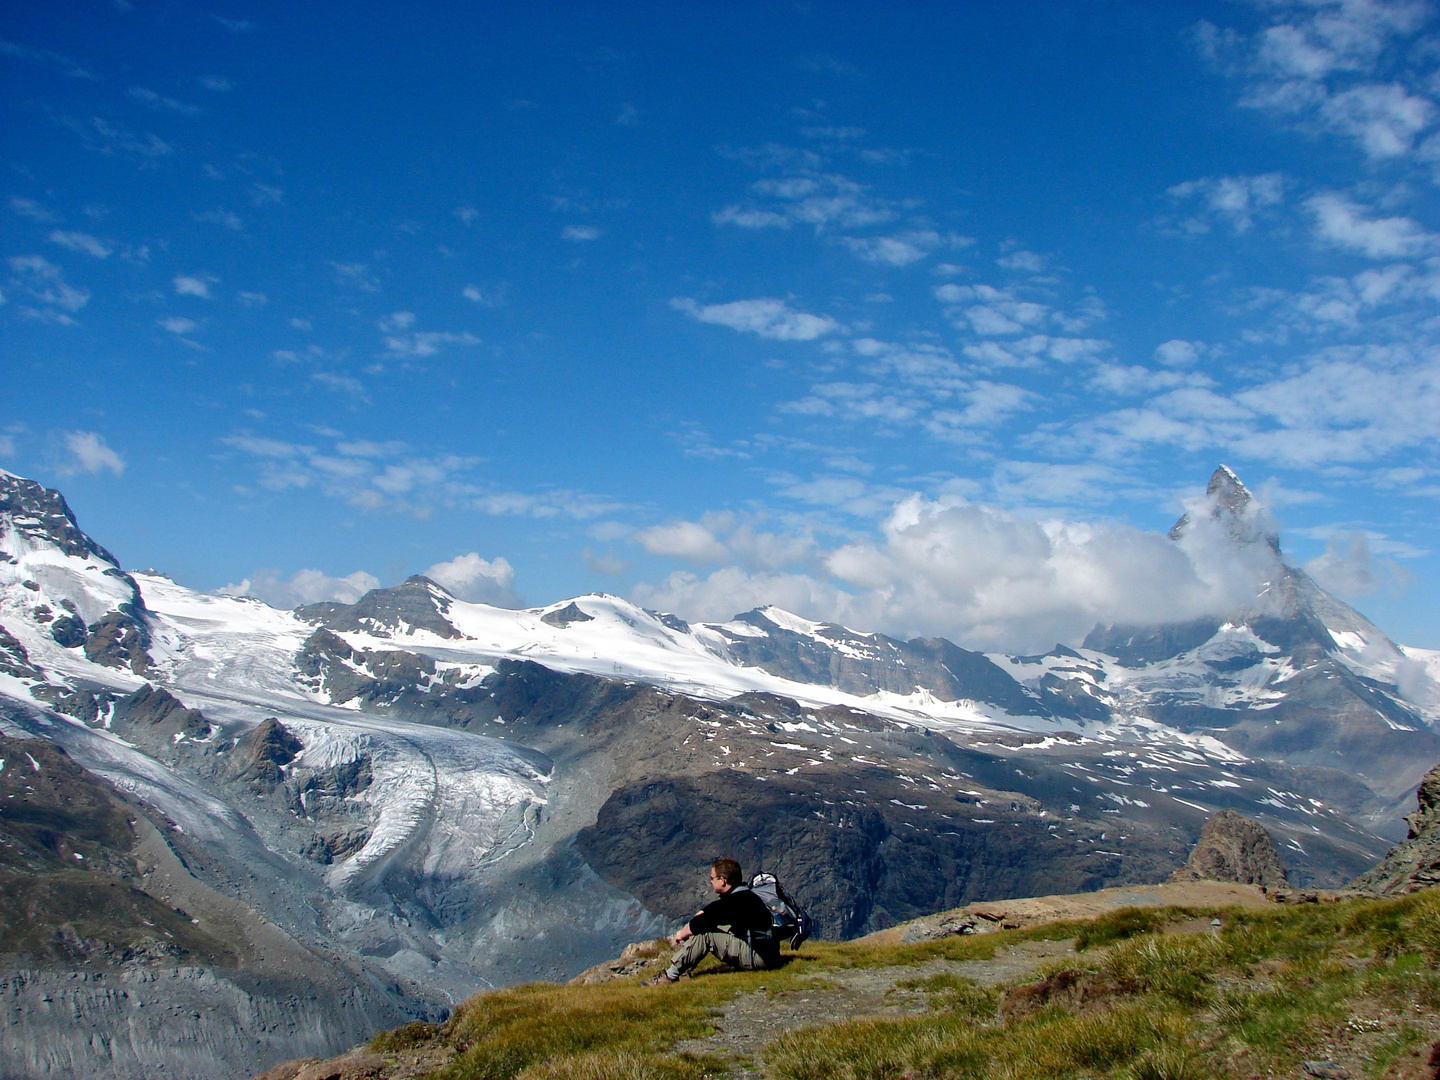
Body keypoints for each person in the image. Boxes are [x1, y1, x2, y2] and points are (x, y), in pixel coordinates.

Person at [642, 857, 775, 985]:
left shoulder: (733, 903)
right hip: (767, 955)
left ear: (722, 880)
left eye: (712, 878)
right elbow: (710, 912)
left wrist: (680, 934)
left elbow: (699, 924)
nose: (710, 881)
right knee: (706, 928)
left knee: (705, 935)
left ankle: (669, 976)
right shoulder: (744, 896)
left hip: (758, 958)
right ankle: (684, 969)